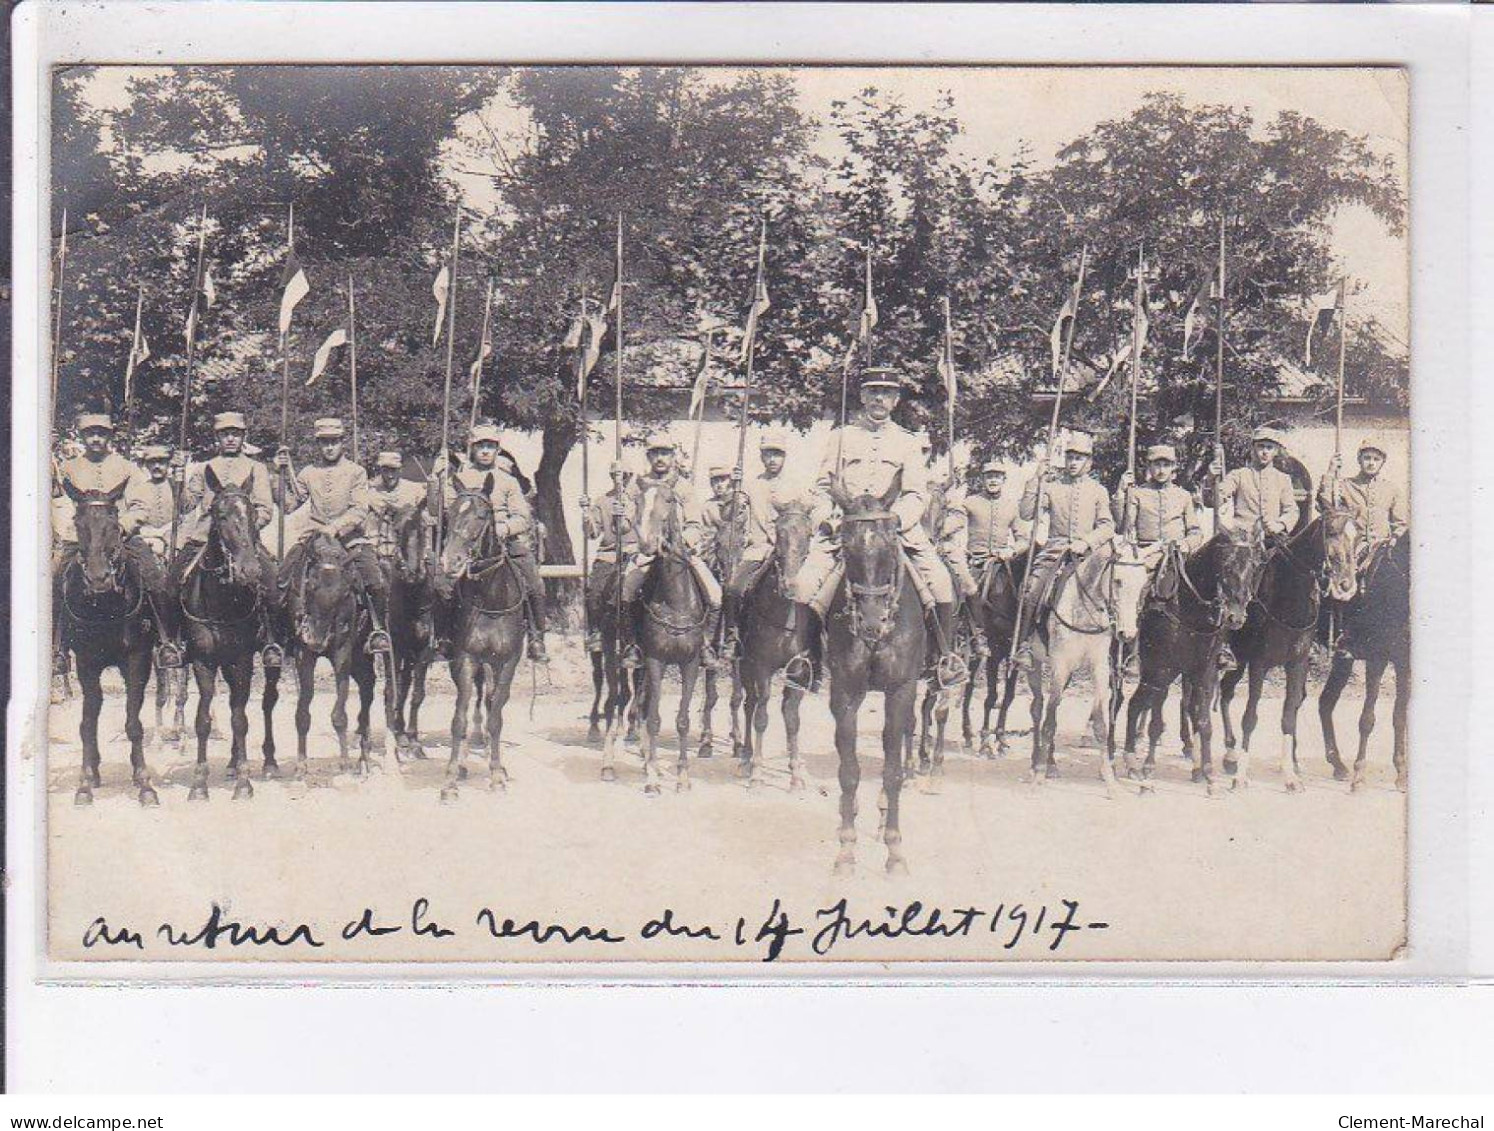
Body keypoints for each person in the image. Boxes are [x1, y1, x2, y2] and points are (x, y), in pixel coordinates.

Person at [790, 368, 957, 666]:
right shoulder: (841, 437)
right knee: (804, 584)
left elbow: (917, 494)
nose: (879, 398)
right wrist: (826, 520)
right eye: (873, 392)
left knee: (942, 582)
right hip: (846, 531)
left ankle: (942, 662)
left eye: (887, 393)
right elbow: (823, 489)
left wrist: (895, 521)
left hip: (895, 532)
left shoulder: (908, 442)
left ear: (895, 401)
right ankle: (806, 661)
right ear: (863, 396)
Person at [54, 413, 180, 667]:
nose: (96, 439)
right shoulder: (69, 468)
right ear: (83, 437)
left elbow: (139, 506)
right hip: (81, 538)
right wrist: (74, 529)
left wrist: (121, 528)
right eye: (91, 434)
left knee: (155, 577)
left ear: (110, 436)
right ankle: (58, 648)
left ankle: (166, 642)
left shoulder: (127, 468)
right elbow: (62, 502)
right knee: (55, 576)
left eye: (101, 434)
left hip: (119, 537)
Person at [431, 423, 547, 662]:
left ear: (497, 450)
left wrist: (504, 528)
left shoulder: (508, 481)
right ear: (472, 449)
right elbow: (443, 512)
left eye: (490, 446)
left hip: (505, 542)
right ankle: (444, 638)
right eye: (480, 446)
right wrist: (437, 481)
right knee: (442, 586)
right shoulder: (459, 478)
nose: (485, 451)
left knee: (535, 584)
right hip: (466, 544)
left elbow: (522, 516)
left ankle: (537, 638)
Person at [173, 411, 282, 666]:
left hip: (244, 540)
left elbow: (265, 508)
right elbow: (187, 505)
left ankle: (271, 642)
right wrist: (176, 479)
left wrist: (245, 528)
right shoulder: (204, 468)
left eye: (235, 434)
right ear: (217, 438)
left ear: (243, 437)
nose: (230, 439)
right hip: (204, 538)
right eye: (225, 434)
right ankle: (174, 642)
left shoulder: (256, 468)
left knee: (274, 583)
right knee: (171, 580)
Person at [277, 417, 392, 655]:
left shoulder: (356, 472)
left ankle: (378, 631)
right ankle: (284, 636)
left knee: (375, 579)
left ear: (342, 443)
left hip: (350, 539)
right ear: (318, 445)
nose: (329, 447)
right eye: (324, 443)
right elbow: (292, 502)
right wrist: (284, 470)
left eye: (334, 442)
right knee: (283, 576)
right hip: (315, 537)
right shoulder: (309, 472)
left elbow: (360, 509)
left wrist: (338, 527)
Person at [617, 433, 723, 669]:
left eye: (665, 453)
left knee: (715, 594)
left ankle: (705, 645)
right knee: (626, 592)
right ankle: (633, 645)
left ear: (673, 456)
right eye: (655, 453)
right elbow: (626, 523)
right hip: (646, 551)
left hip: (679, 554)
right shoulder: (637, 485)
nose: (660, 458)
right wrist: (620, 515)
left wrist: (681, 543)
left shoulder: (683, 487)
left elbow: (695, 524)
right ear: (649, 456)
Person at [1013, 429, 1115, 671]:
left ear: (1089, 462)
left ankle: (1114, 653)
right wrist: (1035, 480)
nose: (1073, 463)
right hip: (1055, 552)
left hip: (1088, 556)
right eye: (1070, 457)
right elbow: (1026, 513)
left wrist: (1087, 542)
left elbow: (1108, 525)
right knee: (1031, 591)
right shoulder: (1052, 487)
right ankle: (1025, 645)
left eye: (1079, 458)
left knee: (1118, 592)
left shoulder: (1098, 490)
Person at [720, 429, 812, 659]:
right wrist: (734, 489)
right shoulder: (750, 485)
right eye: (768, 454)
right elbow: (728, 515)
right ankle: (733, 637)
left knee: (813, 591)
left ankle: (815, 648)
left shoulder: (798, 485)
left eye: (777, 454)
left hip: (790, 552)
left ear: (785, 456)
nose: (772, 459)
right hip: (758, 550)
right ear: (761, 457)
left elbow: (812, 511)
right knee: (733, 588)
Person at [1318, 436, 1409, 567]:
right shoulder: (1345, 485)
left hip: (1381, 550)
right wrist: (1331, 472)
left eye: (1376, 459)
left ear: (1382, 462)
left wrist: (1394, 538)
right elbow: (1325, 503)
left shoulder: (1391, 489)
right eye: (1367, 458)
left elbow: (1400, 524)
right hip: (1352, 551)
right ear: (1359, 460)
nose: (1371, 463)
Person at [1114, 443, 1205, 574]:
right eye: (1157, 465)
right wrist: (1120, 493)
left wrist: (1187, 544)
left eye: (1166, 465)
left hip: (1175, 556)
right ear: (1149, 466)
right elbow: (1123, 529)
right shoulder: (1137, 493)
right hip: (1145, 556)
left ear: (1173, 467)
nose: (1161, 471)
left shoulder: (1183, 496)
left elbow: (1195, 532)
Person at [579, 459, 639, 655]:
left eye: (623, 475)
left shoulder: (640, 498)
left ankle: (633, 640)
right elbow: (593, 533)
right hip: (609, 553)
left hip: (634, 552)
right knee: (594, 590)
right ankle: (595, 631)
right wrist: (587, 516)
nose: (619, 479)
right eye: (615, 475)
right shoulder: (602, 501)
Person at [1209, 425, 1299, 539]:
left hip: (1272, 538)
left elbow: (1292, 510)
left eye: (1269, 447)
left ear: (1276, 451)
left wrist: (1280, 525)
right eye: (1261, 446)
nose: (1265, 451)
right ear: (1253, 448)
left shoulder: (1283, 479)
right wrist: (1211, 478)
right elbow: (1215, 501)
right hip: (1242, 538)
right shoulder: (1238, 475)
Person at [960, 459, 1031, 590]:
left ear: (1003, 480)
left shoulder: (1012, 506)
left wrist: (1011, 550)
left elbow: (1024, 539)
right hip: (974, 563)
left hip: (1001, 564)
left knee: (1013, 595)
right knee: (965, 597)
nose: (993, 481)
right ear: (982, 479)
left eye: (997, 477)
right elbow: (956, 525)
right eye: (989, 477)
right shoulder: (969, 502)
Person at [366, 451, 429, 561]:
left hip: (409, 546)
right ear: (380, 470)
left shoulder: (415, 490)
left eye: (393, 470)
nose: (390, 475)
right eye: (385, 471)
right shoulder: (372, 493)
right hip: (380, 546)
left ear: (400, 470)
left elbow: (429, 510)